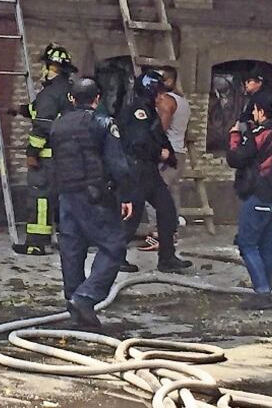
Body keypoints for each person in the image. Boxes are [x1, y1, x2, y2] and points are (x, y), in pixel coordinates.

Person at [50, 78, 133, 329]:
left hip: (66, 194)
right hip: (95, 195)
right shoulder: (103, 123)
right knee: (114, 245)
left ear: (72, 100)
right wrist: (126, 194)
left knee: (72, 248)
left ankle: (74, 301)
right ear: (97, 99)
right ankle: (85, 298)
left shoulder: (58, 126)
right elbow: (117, 163)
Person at [118, 70, 192, 273]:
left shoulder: (150, 111)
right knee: (131, 216)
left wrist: (171, 157)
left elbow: (158, 135)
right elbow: (139, 141)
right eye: (158, 93)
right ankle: (114, 257)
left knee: (167, 210)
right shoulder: (138, 111)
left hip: (149, 171)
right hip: (135, 170)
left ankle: (167, 258)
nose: (161, 97)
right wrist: (161, 152)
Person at [227, 91, 272, 311]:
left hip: (259, 198)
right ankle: (267, 290)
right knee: (267, 246)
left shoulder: (260, 135)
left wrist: (235, 136)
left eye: (254, 110)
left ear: (260, 112)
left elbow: (235, 159)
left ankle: (262, 293)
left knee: (247, 245)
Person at [12, 43, 76, 256]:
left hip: (47, 158)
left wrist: (31, 152)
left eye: (46, 67)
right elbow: (42, 111)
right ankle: (68, 240)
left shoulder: (50, 93)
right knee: (62, 200)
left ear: (52, 68)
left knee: (40, 198)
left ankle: (35, 243)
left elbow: (43, 123)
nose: (44, 71)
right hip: (67, 157)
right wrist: (21, 110)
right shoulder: (69, 91)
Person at [138, 65, 191, 253]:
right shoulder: (183, 101)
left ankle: (158, 234)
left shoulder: (167, 101)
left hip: (167, 153)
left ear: (169, 81)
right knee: (171, 195)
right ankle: (171, 232)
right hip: (180, 152)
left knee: (154, 194)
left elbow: (160, 129)